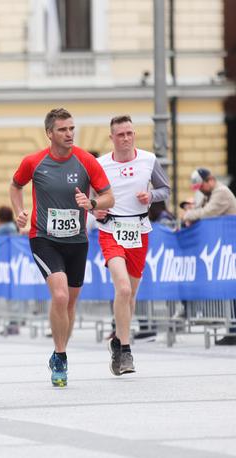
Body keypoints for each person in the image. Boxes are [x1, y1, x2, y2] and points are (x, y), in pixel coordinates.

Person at [10, 108, 113, 387]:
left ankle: (59, 351)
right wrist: (20, 212)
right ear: (49, 133)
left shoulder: (86, 161)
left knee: (70, 301)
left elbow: (109, 197)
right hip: (43, 237)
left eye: (71, 129)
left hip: (77, 240)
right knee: (59, 295)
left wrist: (91, 204)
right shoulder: (34, 162)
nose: (69, 134)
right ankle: (61, 355)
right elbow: (15, 185)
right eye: (63, 130)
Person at [92, 115, 171, 376]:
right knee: (123, 289)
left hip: (139, 230)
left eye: (129, 133)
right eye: (120, 134)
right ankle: (125, 351)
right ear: (112, 137)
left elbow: (166, 189)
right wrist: (96, 211)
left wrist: (151, 196)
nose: (126, 138)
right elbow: (89, 198)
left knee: (131, 294)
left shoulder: (148, 160)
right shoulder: (100, 164)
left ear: (134, 134)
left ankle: (117, 340)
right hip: (111, 230)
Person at [183, 167, 236, 345]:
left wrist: (189, 215)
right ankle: (231, 330)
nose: (200, 190)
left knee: (231, 288)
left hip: (230, 248)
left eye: (201, 186)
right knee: (228, 290)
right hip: (224, 249)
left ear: (210, 180)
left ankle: (234, 330)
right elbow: (199, 208)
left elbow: (207, 213)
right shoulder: (208, 193)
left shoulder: (220, 192)